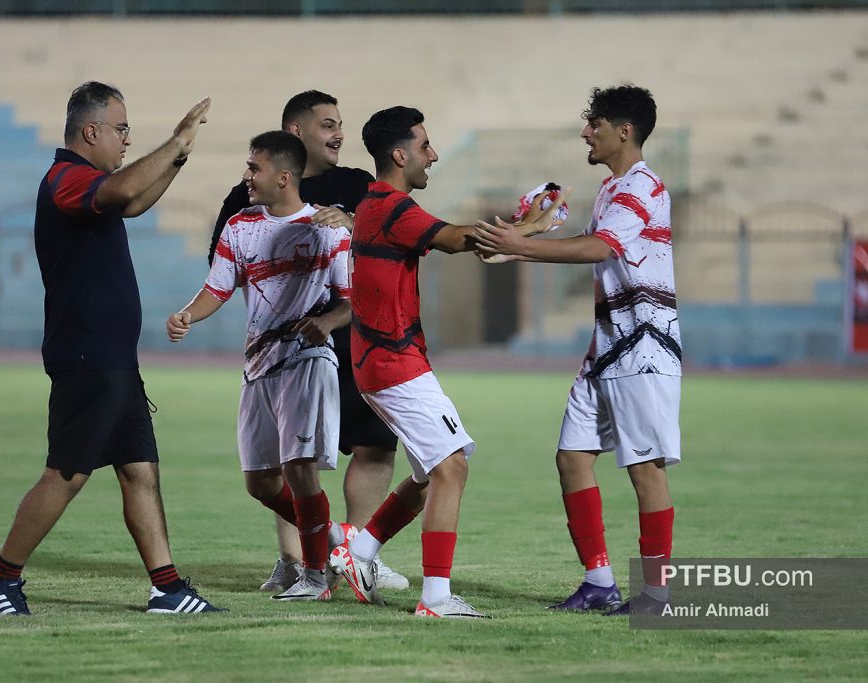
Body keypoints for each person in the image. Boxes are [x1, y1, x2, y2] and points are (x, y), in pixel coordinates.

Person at [0, 82, 222, 616]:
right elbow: (126, 193)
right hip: (87, 355)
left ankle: (168, 589)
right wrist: (173, 143)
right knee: (66, 472)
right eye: (122, 129)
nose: (127, 140)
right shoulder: (66, 180)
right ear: (92, 131)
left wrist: (178, 158)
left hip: (112, 359)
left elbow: (135, 202)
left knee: (139, 469)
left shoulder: (92, 185)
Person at [328, 106, 564, 618]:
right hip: (393, 362)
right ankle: (435, 599)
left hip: (385, 360)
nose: (432, 154)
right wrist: (529, 227)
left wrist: (528, 228)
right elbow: (459, 240)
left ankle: (359, 550)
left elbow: (470, 246)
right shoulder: (391, 206)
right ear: (399, 154)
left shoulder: (379, 206)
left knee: (425, 476)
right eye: (425, 145)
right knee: (451, 468)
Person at [475, 84, 680, 616]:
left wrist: (524, 246)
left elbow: (600, 248)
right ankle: (598, 583)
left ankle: (657, 593)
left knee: (646, 469)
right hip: (608, 347)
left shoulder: (644, 186)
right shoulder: (614, 190)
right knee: (571, 458)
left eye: (596, 122)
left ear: (624, 130)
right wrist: (527, 236)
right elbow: (582, 247)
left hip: (644, 347)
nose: (586, 131)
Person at [207, 90, 408, 594]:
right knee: (284, 460)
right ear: (296, 133)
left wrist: (355, 222)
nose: (339, 132)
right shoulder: (247, 195)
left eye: (339, 123)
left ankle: (358, 555)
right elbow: (227, 265)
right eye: (327, 124)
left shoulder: (358, 185)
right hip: (288, 349)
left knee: (375, 445)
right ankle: (296, 559)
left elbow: (395, 237)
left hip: (355, 338)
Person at [167, 130, 352, 601]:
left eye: (255, 168)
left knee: (299, 471)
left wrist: (326, 322)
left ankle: (314, 578)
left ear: (284, 177)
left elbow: (355, 301)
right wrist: (189, 313)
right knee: (260, 482)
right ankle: (335, 543)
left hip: (307, 361)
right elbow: (218, 288)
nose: (247, 176)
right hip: (259, 365)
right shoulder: (240, 225)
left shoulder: (326, 230)